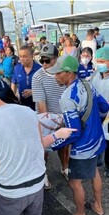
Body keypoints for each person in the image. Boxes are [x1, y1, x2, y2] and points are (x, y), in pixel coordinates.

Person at [0, 85, 75, 215]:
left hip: (10, 193)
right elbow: (39, 145)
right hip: (37, 185)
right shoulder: (28, 111)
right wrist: (56, 135)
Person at [46, 55, 109, 215]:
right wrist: (96, 123)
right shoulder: (88, 84)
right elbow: (104, 107)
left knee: (75, 183)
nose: (55, 76)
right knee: (94, 172)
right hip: (98, 140)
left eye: (58, 73)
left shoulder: (67, 97)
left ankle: (80, 214)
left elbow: (73, 132)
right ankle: (98, 206)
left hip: (83, 148)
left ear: (69, 73)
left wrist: (52, 144)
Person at [32, 43, 69, 189]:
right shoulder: (38, 77)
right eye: (42, 60)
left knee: (64, 146)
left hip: (63, 115)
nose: (44, 64)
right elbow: (41, 107)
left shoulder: (63, 73)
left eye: (48, 60)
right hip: (45, 118)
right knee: (44, 148)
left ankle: (65, 168)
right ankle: (43, 174)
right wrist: (53, 124)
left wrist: (64, 120)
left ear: (56, 59)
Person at [91, 47, 109, 178]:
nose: (100, 63)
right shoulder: (95, 75)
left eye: (103, 61)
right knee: (98, 139)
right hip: (97, 114)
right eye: (99, 60)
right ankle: (97, 162)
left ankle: (108, 166)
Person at [12, 45, 42, 110]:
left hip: (37, 106)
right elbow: (13, 83)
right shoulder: (17, 68)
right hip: (22, 106)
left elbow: (46, 87)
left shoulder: (40, 69)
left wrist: (33, 92)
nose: (22, 59)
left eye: (24, 56)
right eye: (20, 56)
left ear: (32, 56)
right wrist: (13, 97)